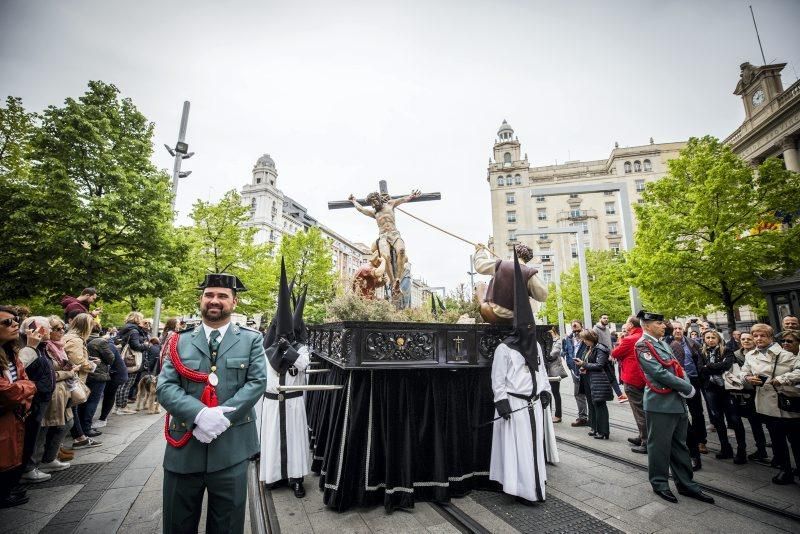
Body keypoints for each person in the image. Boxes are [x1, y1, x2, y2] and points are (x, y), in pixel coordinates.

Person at [157, 273, 267, 534]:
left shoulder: (252, 339)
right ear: (201, 299)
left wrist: (222, 418)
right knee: (177, 525)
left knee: (227, 527)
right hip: (184, 449)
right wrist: (199, 415)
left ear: (234, 302)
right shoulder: (179, 340)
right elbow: (165, 387)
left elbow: (256, 382)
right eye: (209, 295)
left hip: (232, 449)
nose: (214, 301)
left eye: (222, 296)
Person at [489, 249, 557, 505]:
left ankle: (536, 485)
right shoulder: (504, 349)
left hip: (533, 403)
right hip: (515, 406)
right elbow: (498, 380)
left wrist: (545, 392)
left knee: (533, 448)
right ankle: (520, 488)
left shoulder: (536, 347)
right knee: (518, 450)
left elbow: (539, 371)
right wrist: (501, 401)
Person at [635, 310, 714, 504]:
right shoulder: (643, 345)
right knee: (659, 446)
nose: (664, 326)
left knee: (680, 446)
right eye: (659, 323)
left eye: (663, 324)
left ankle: (686, 484)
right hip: (660, 403)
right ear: (647, 325)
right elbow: (659, 372)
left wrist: (687, 385)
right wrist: (687, 387)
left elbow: (678, 367)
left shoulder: (662, 343)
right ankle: (660, 483)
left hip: (676, 401)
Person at [259, 261, 311, 497]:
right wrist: (276, 349)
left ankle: (296, 477)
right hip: (271, 401)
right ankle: (273, 476)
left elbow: (303, 365)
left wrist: (289, 350)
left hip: (293, 401)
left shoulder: (301, 347)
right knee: (272, 439)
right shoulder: (264, 347)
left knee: (295, 439)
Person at [741, 323, 800, 485]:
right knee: (777, 439)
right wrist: (747, 378)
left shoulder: (785, 352)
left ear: (771, 337)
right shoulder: (750, 355)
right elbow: (744, 372)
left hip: (788, 401)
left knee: (796, 440)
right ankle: (785, 470)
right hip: (767, 404)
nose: (758, 339)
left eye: (762, 335)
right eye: (756, 336)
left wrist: (782, 379)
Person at [348, 189, 421, 295]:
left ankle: (398, 280)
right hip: (383, 237)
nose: (373, 205)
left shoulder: (390, 204)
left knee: (401, 250)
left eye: (374, 202)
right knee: (385, 256)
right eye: (371, 204)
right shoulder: (375, 213)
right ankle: (392, 282)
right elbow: (361, 209)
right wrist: (353, 201)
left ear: (378, 199)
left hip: (394, 234)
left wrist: (412, 195)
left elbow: (403, 199)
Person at [0, 307, 38, 508]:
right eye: (7, 322)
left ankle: (6, 491)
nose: (15, 324)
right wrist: (26, 389)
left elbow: (24, 382)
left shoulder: (11, 353)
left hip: (15, 415)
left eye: (15, 320)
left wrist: (24, 391)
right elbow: (7, 392)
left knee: (13, 455)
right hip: (5, 415)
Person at [698, 330, 747, 463]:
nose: (710, 340)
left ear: (718, 339)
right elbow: (700, 369)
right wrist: (713, 367)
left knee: (735, 419)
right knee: (718, 419)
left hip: (727, 389)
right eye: (707, 337)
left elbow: (726, 365)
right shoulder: (702, 352)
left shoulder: (727, 350)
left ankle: (741, 450)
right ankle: (725, 448)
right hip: (711, 389)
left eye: (713, 337)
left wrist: (709, 366)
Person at [18, 317, 56, 483]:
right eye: (46, 328)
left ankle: (32, 465)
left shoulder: (41, 347)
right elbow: (21, 368)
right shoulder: (27, 348)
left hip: (42, 395)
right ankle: (28, 468)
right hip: (34, 397)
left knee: (38, 432)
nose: (49, 331)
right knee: (32, 433)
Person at [473, 243, 548, 324]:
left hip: (494, 315)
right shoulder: (529, 273)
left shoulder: (500, 264)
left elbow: (479, 265)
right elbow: (543, 296)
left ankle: (484, 309)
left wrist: (480, 250)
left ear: (514, 254)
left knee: (480, 285)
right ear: (527, 259)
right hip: (516, 320)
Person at [38, 316, 77, 468]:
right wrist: (69, 373)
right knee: (50, 427)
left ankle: (51, 456)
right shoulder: (45, 347)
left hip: (64, 391)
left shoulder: (59, 346)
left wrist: (71, 368)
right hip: (54, 392)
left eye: (62, 328)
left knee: (66, 423)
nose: (61, 332)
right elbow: (49, 374)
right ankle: (43, 461)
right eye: (57, 329)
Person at [669, 323, 708, 470]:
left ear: (684, 330)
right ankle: (689, 445)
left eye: (679, 328)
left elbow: (701, 361)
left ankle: (701, 440)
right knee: (682, 413)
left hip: (693, 380)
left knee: (697, 412)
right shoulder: (668, 344)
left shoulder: (693, 343)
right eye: (675, 329)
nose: (678, 331)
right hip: (678, 382)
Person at [63, 313, 101, 448]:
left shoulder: (70, 337)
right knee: (71, 410)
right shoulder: (76, 340)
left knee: (71, 410)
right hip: (73, 380)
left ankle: (79, 437)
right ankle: (79, 438)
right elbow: (77, 361)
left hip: (70, 379)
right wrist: (92, 365)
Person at [730, 332, 769, 461]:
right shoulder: (735, 354)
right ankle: (741, 449)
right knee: (736, 421)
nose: (746, 341)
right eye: (743, 339)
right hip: (737, 392)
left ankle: (761, 449)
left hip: (754, 392)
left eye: (748, 339)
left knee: (755, 422)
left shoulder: (759, 354)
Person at [612, 315, 647, 453]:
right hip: (644, 379)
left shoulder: (630, 339)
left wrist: (621, 338)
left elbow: (615, 353)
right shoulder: (644, 336)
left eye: (627, 322)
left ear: (631, 325)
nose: (625, 325)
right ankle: (642, 436)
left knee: (639, 411)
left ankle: (645, 441)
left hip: (632, 379)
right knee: (643, 410)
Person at [573, 329, 613, 440]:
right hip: (588, 379)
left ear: (591, 338)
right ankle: (594, 427)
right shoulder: (589, 348)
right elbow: (589, 363)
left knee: (599, 405)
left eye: (585, 339)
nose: (584, 341)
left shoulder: (600, 349)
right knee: (591, 404)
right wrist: (583, 367)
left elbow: (600, 365)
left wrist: (583, 364)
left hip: (598, 380)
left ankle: (603, 431)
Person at [78, 323, 115, 438]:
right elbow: (111, 358)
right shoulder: (101, 342)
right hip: (97, 374)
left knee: (82, 401)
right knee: (93, 401)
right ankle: (86, 427)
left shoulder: (81, 340)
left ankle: (79, 427)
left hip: (84, 374)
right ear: (99, 329)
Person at [115, 311, 149, 415]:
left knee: (122, 384)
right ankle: (122, 407)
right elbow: (136, 346)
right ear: (137, 319)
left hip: (123, 359)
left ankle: (118, 406)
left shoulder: (126, 328)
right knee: (127, 384)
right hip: (131, 360)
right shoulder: (134, 331)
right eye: (141, 318)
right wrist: (146, 345)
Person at [594, 314, 627, 403]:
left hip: (609, 356)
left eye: (607, 318)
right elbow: (597, 344)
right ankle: (619, 395)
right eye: (604, 318)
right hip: (603, 356)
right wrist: (606, 354)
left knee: (609, 376)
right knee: (611, 376)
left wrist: (612, 354)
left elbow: (609, 343)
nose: (606, 319)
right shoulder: (595, 329)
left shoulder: (607, 330)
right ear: (599, 318)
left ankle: (611, 395)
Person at [562, 320, 589, 427]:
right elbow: (565, 351)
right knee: (578, 393)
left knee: (590, 393)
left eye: (577, 329)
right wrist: (569, 362)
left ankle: (594, 418)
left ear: (582, 327)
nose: (576, 332)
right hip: (574, 370)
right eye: (574, 329)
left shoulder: (587, 337)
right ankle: (582, 417)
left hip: (586, 369)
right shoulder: (568, 339)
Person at [545, 327, 565, 423]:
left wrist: (545, 356)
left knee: (555, 392)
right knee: (547, 393)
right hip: (546, 370)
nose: (550, 334)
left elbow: (553, 354)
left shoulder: (557, 341)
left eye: (551, 332)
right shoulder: (545, 341)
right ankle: (548, 414)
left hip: (554, 371)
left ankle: (558, 415)